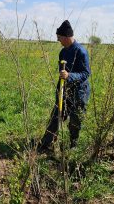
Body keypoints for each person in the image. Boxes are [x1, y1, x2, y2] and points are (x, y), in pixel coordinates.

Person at [38, 20, 91, 152]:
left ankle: (73, 146)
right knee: (56, 117)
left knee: (75, 121)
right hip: (64, 90)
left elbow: (85, 73)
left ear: (66, 37)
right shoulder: (62, 52)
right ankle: (46, 144)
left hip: (79, 93)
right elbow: (61, 73)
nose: (58, 40)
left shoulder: (81, 52)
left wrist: (70, 76)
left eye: (59, 37)